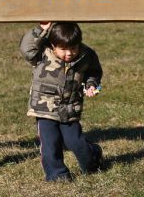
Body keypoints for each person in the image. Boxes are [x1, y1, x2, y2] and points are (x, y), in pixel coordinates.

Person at [20, 21, 103, 181]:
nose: (69, 53)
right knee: (50, 144)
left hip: (70, 108)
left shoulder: (86, 55)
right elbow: (26, 48)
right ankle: (57, 174)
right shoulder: (42, 53)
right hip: (44, 109)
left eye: (73, 48)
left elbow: (94, 72)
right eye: (63, 49)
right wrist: (41, 29)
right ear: (53, 45)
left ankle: (93, 159)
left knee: (75, 142)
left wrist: (91, 84)